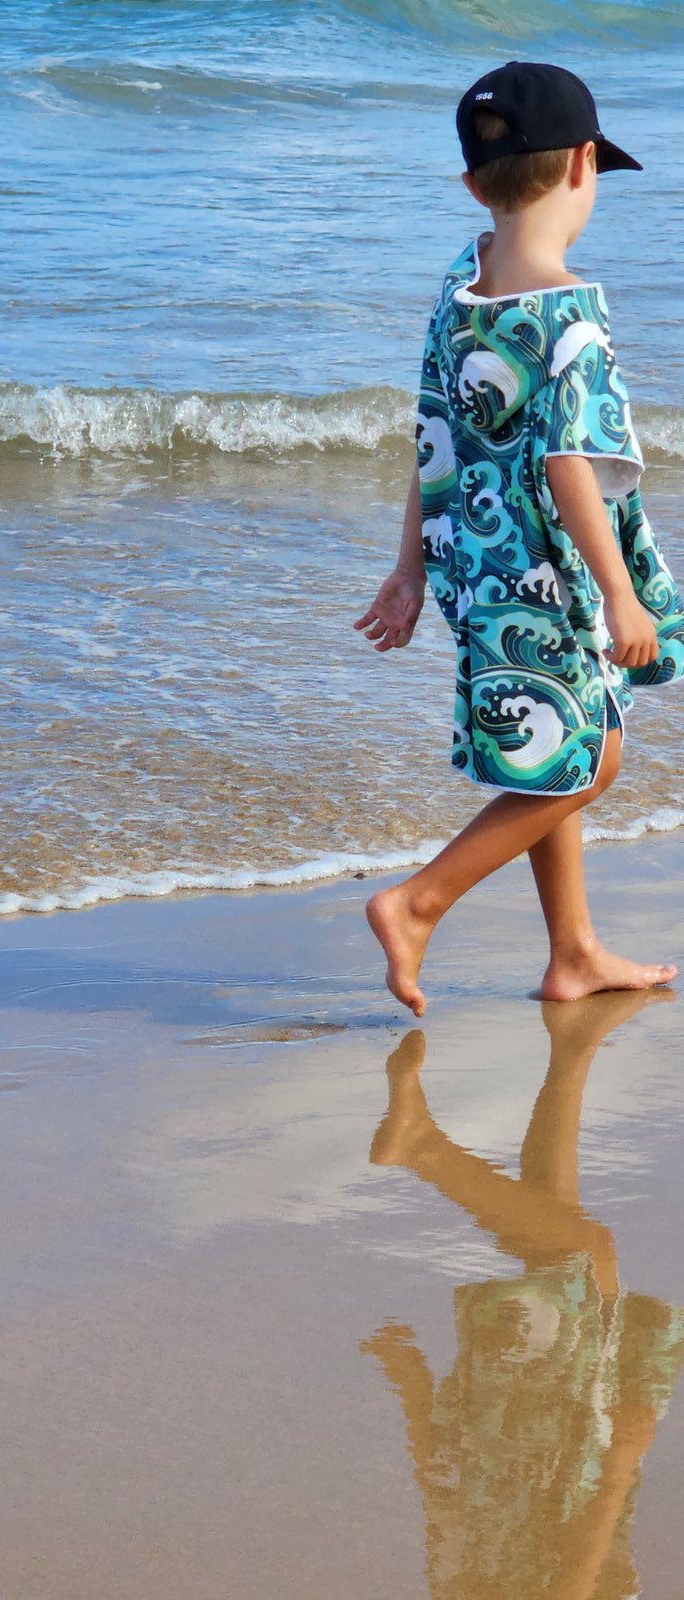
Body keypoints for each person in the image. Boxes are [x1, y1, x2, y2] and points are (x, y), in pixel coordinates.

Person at [354, 61, 684, 1017]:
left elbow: (433, 428)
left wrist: (409, 563)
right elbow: (571, 466)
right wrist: (621, 594)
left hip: (473, 561)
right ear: (585, 164)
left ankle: (573, 951)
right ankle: (419, 902)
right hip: (553, 575)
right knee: (594, 757)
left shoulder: (462, 280)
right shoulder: (572, 314)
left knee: (562, 739)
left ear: (474, 184)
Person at [362, 994, 684, 1598]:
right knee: (561, 1259)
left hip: (548, 1471)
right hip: (498, 1483)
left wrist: (618, 1467)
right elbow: (445, 1503)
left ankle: (422, 1149)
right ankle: (572, 1053)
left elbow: (569, 1586)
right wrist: (413, 1388)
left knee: (587, 1256)